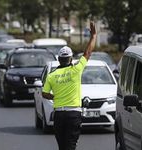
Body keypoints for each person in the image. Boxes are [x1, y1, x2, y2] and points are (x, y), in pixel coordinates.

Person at [42, 21, 97, 150]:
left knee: (62, 146)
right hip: (74, 115)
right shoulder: (76, 69)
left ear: (59, 59)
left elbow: (44, 93)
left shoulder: (51, 75)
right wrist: (93, 36)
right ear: (71, 59)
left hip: (59, 116)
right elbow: (87, 53)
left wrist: (55, 97)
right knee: (70, 146)